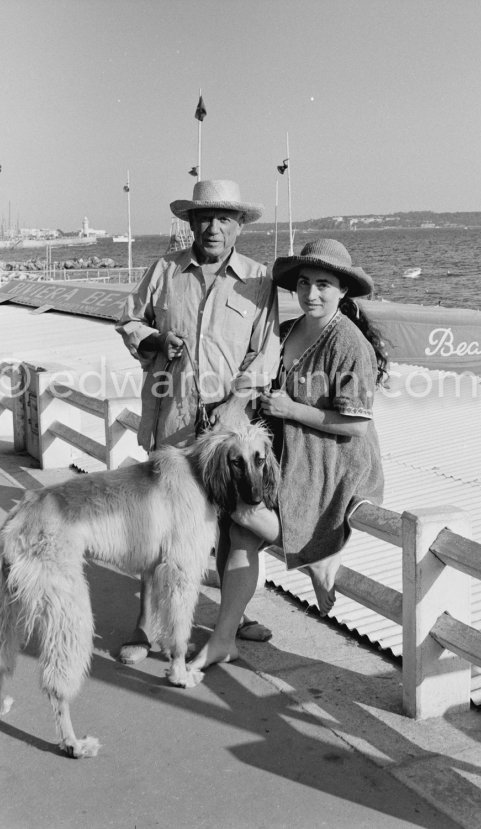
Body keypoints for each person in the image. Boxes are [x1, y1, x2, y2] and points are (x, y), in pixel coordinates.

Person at [189, 238, 387, 671]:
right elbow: (259, 377)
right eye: (303, 283)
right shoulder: (289, 330)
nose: (311, 294)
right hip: (285, 455)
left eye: (323, 285)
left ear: (342, 291)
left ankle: (313, 557)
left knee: (243, 520)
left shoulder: (349, 344)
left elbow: (356, 424)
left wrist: (292, 408)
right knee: (239, 523)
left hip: (331, 462)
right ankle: (225, 639)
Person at [115, 179, 280, 663]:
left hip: (231, 423)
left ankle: (233, 614)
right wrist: (155, 342)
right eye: (204, 217)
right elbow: (129, 320)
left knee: (235, 522)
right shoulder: (164, 270)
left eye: (225, 218)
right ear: (189, 223)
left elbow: (265, 350)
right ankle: (145, 625)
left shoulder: (258, 278)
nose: (213, 227)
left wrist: (237, 403)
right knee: (164, 519)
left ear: (239, 227)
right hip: (175, 415)